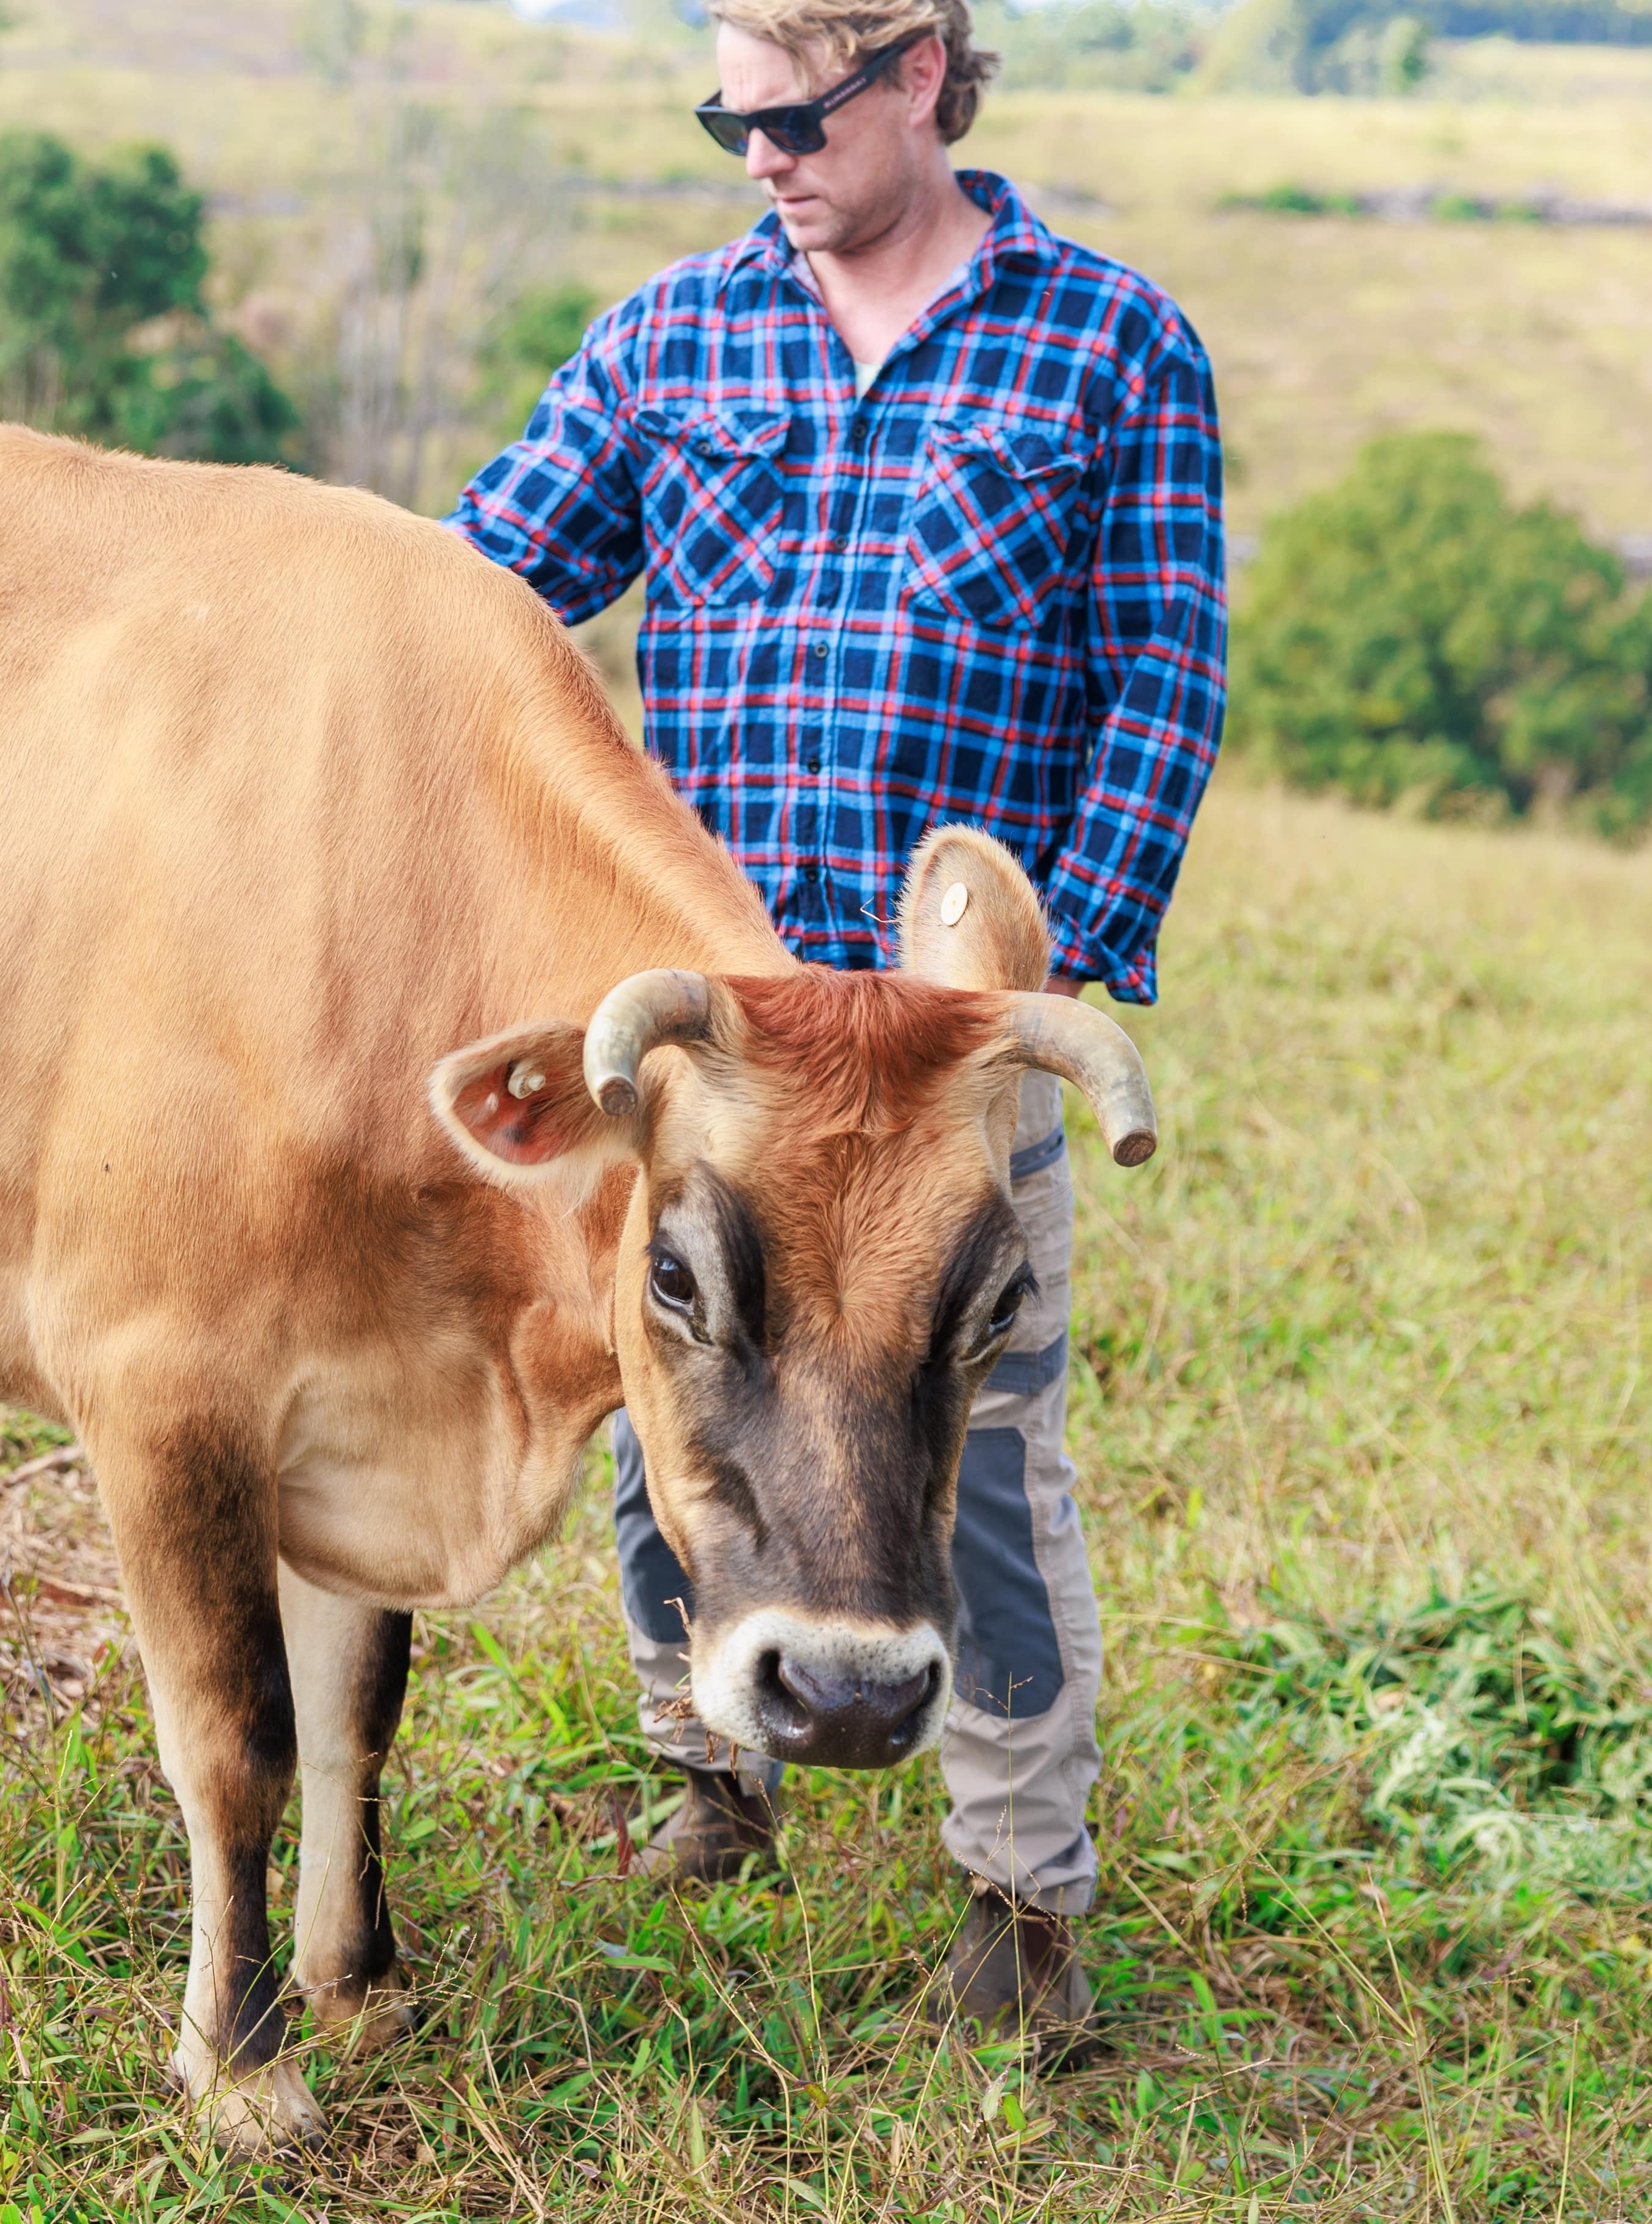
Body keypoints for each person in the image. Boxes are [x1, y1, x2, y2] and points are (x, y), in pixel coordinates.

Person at [444, 0, 1226, 2058]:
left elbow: (1161, 681)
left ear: (922, 80)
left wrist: (1041, 1007)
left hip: (938, 1053)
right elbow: (479, 596)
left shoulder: (1114, 342)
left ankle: (1020, 1889)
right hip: (715, 1039)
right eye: (729, 118)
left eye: (793, 114)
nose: (760, 154)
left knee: (975, 1459)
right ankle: (712, 1768)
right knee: (672, 1410)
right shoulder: (669, 341)